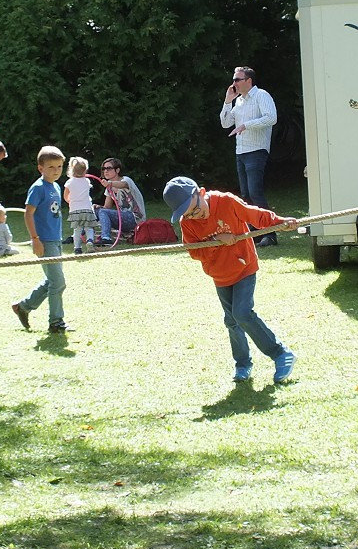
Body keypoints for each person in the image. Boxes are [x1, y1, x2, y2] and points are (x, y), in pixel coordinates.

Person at [163, 176, 298, 384]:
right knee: (232, 321)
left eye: (196, 210)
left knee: (242, 313)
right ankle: (243, 364)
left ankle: (281, 354)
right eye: (188, 214)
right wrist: (216, 242)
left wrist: (279, 222)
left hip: (244, 266)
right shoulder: (187, 223)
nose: (195, 217)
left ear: (201, 193)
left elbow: (256, 216)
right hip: (219, 274)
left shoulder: (226, 202)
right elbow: (194, 252)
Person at [220, 66, 280, 246]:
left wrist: (247, 125)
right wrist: (227, 101)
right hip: (241, 152)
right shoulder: (238, 101)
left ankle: (270, 234)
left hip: (256, 150)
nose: (234, 83)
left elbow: (272, 118)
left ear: (248, 81)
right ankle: (255, 233)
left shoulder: (262, 95)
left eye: (238, 79)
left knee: (255, 192)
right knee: (246, 195)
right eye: (234, 80)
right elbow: (225, 123)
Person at [12, 146, 68, 333]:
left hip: (56, 240)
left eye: (59, 166)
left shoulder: (56, 186)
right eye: (51, 167)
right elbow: (28, 214)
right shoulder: (38, 188)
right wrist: (35, 239)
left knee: (52, 280)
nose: (56, 171)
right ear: (40, 168)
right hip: (44, 241)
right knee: (58, 282)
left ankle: (23, 307)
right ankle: (56, 322)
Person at [94, 157, 146, 245]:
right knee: (94, 210)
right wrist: (97, 208)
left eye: (109, 168)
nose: (105, 171)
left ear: (117, 170)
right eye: (103, 169)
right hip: (122, 218)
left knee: (102, 212)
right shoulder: (109, 187)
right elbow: (107, 207)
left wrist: (109, 184)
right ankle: (82, 236)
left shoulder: (126, 180)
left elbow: (123, 185)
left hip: (135, 218)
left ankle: (106, 238)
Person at [64, 156, 97, 255]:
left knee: (77, 230)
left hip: (75, 210)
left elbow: (66, 196)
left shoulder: (69, 182)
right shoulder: (87, 181)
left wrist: (70, 202)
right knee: (89, 227)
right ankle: (90, 240)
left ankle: (77, 248)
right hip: (87, 209)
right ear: (85, 171)